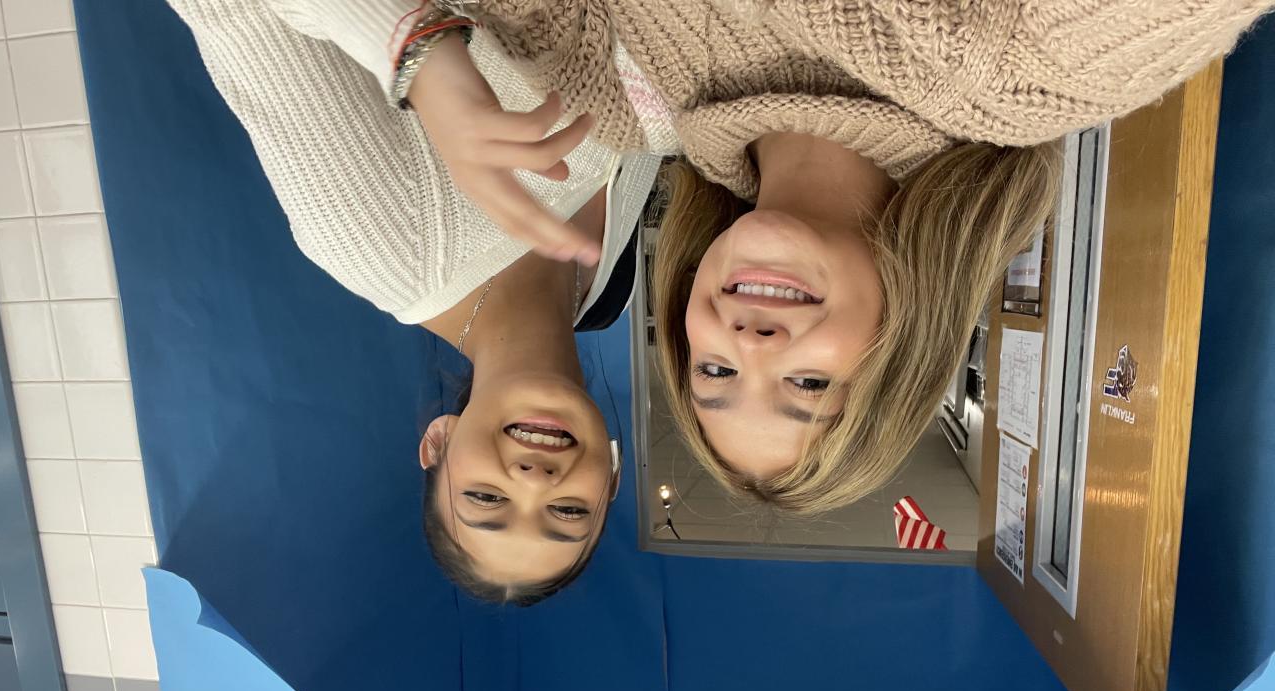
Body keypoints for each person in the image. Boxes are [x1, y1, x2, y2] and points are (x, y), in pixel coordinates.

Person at [306, 0, 1271, 515]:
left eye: (717, 373)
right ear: (905, 343)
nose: (756, 344)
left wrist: (417, 49)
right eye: (809, 385)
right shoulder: (1030, 74)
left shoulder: (618, 96)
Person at [167, 0, 660, 602]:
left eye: (486, 498)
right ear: (612, 480)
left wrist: (420, 52)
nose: (534, 480)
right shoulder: (613, 288)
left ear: (439, 442)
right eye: (567, 512)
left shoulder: (387, 248)